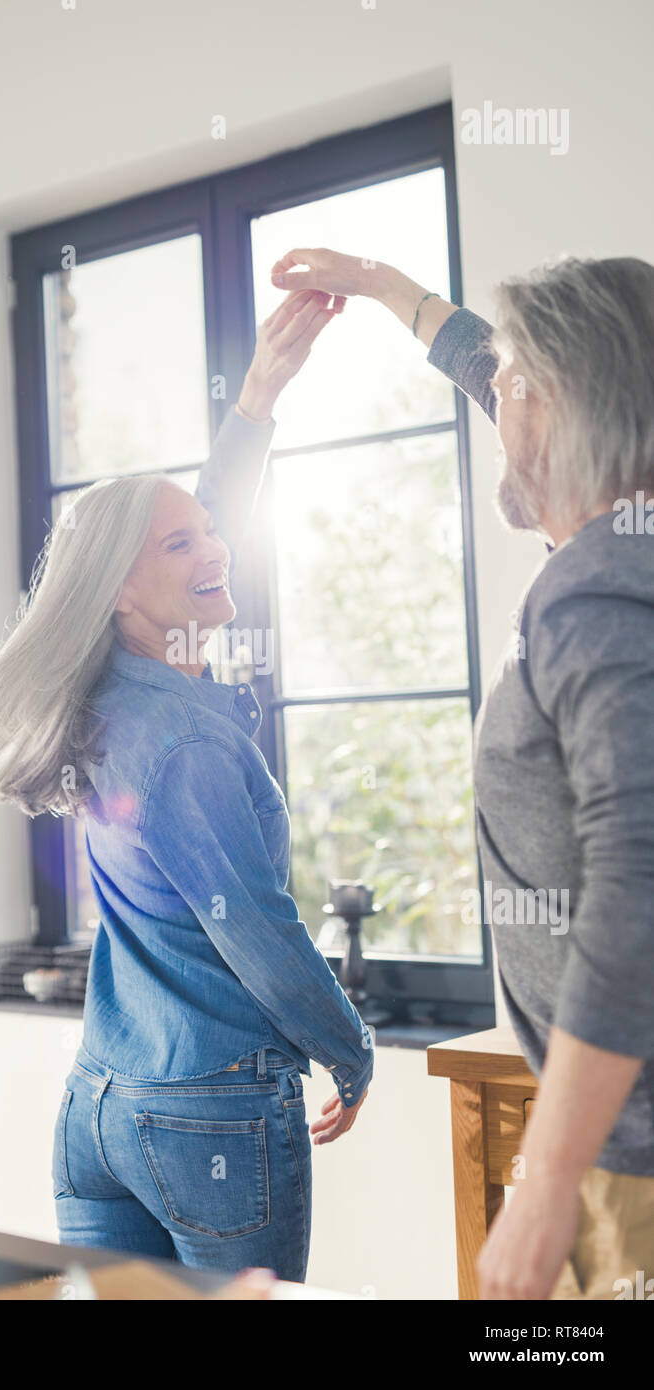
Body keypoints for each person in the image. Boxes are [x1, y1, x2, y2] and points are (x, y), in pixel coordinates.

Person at [0, 289, 373, 1283]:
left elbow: (189, 529)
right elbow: (254, 926)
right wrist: (352, 1043)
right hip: (208, 1110)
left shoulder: (113, 694)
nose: (215, 549)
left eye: (209, 535)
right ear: (123, 593)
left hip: (104, 1105)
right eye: (182, 547)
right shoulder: (181, 741)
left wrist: (259, 394)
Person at [269, 247, 654, 1300]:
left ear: (570, 405)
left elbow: (638, 884)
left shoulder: (595, 593)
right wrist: (389, 288)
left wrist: (549, 1177)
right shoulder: (633, 550)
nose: (496, 395)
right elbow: (493, 366)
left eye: (518, 382)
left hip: (632, 1162)